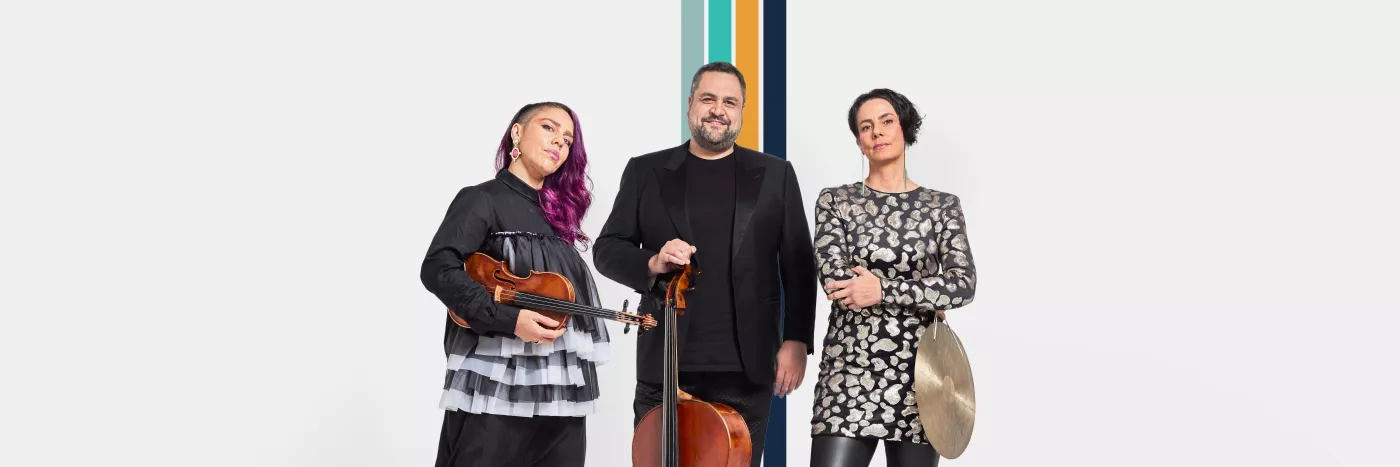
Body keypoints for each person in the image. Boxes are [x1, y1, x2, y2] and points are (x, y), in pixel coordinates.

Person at [592, 61, 818, 467]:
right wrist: (653, 261)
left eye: (730, 101)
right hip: (665, 367)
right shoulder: (646, 171)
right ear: (690, 105)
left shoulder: (775, 174)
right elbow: (607, 248)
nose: (718, 109)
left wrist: (797, 340)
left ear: (742, 111)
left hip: (747, 370)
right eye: (708, 98)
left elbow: (799, 266)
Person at [420, 102, 609, 467]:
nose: (559, 143)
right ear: (517, 133)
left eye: (568, 140)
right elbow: (438, 268)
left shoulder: (558, 218)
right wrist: (510, 320)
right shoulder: (482, 199)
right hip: (493, 390)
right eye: (549, 128)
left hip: (559, 396)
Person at [808, 88, 978, 467]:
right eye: (866, 127)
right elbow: (837, 283)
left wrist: (883, 288)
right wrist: (926, 293)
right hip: (850, 371)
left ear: (905, 129)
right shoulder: (836, 201)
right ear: (859, 142)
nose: (877, 132)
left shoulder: (942, 206)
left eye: (886, 122)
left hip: (923, 375)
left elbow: (963, 284)